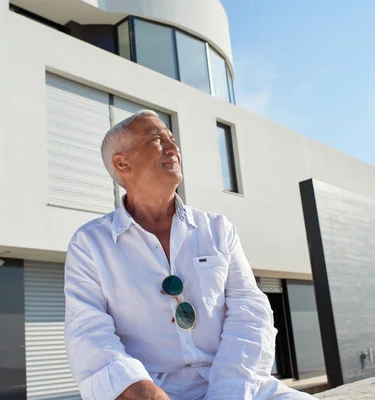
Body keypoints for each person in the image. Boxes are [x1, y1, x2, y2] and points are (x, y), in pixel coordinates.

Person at [64, 110, 318, 400]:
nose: (174, 148)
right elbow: (87, 333)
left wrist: (228, 391)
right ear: (122, 163)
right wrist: (147, 394)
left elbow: (250, 312)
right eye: (158, 139)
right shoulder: (90, 243)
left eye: (173, 139)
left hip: (231, 383)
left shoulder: (218, 230)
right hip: (149, 391)